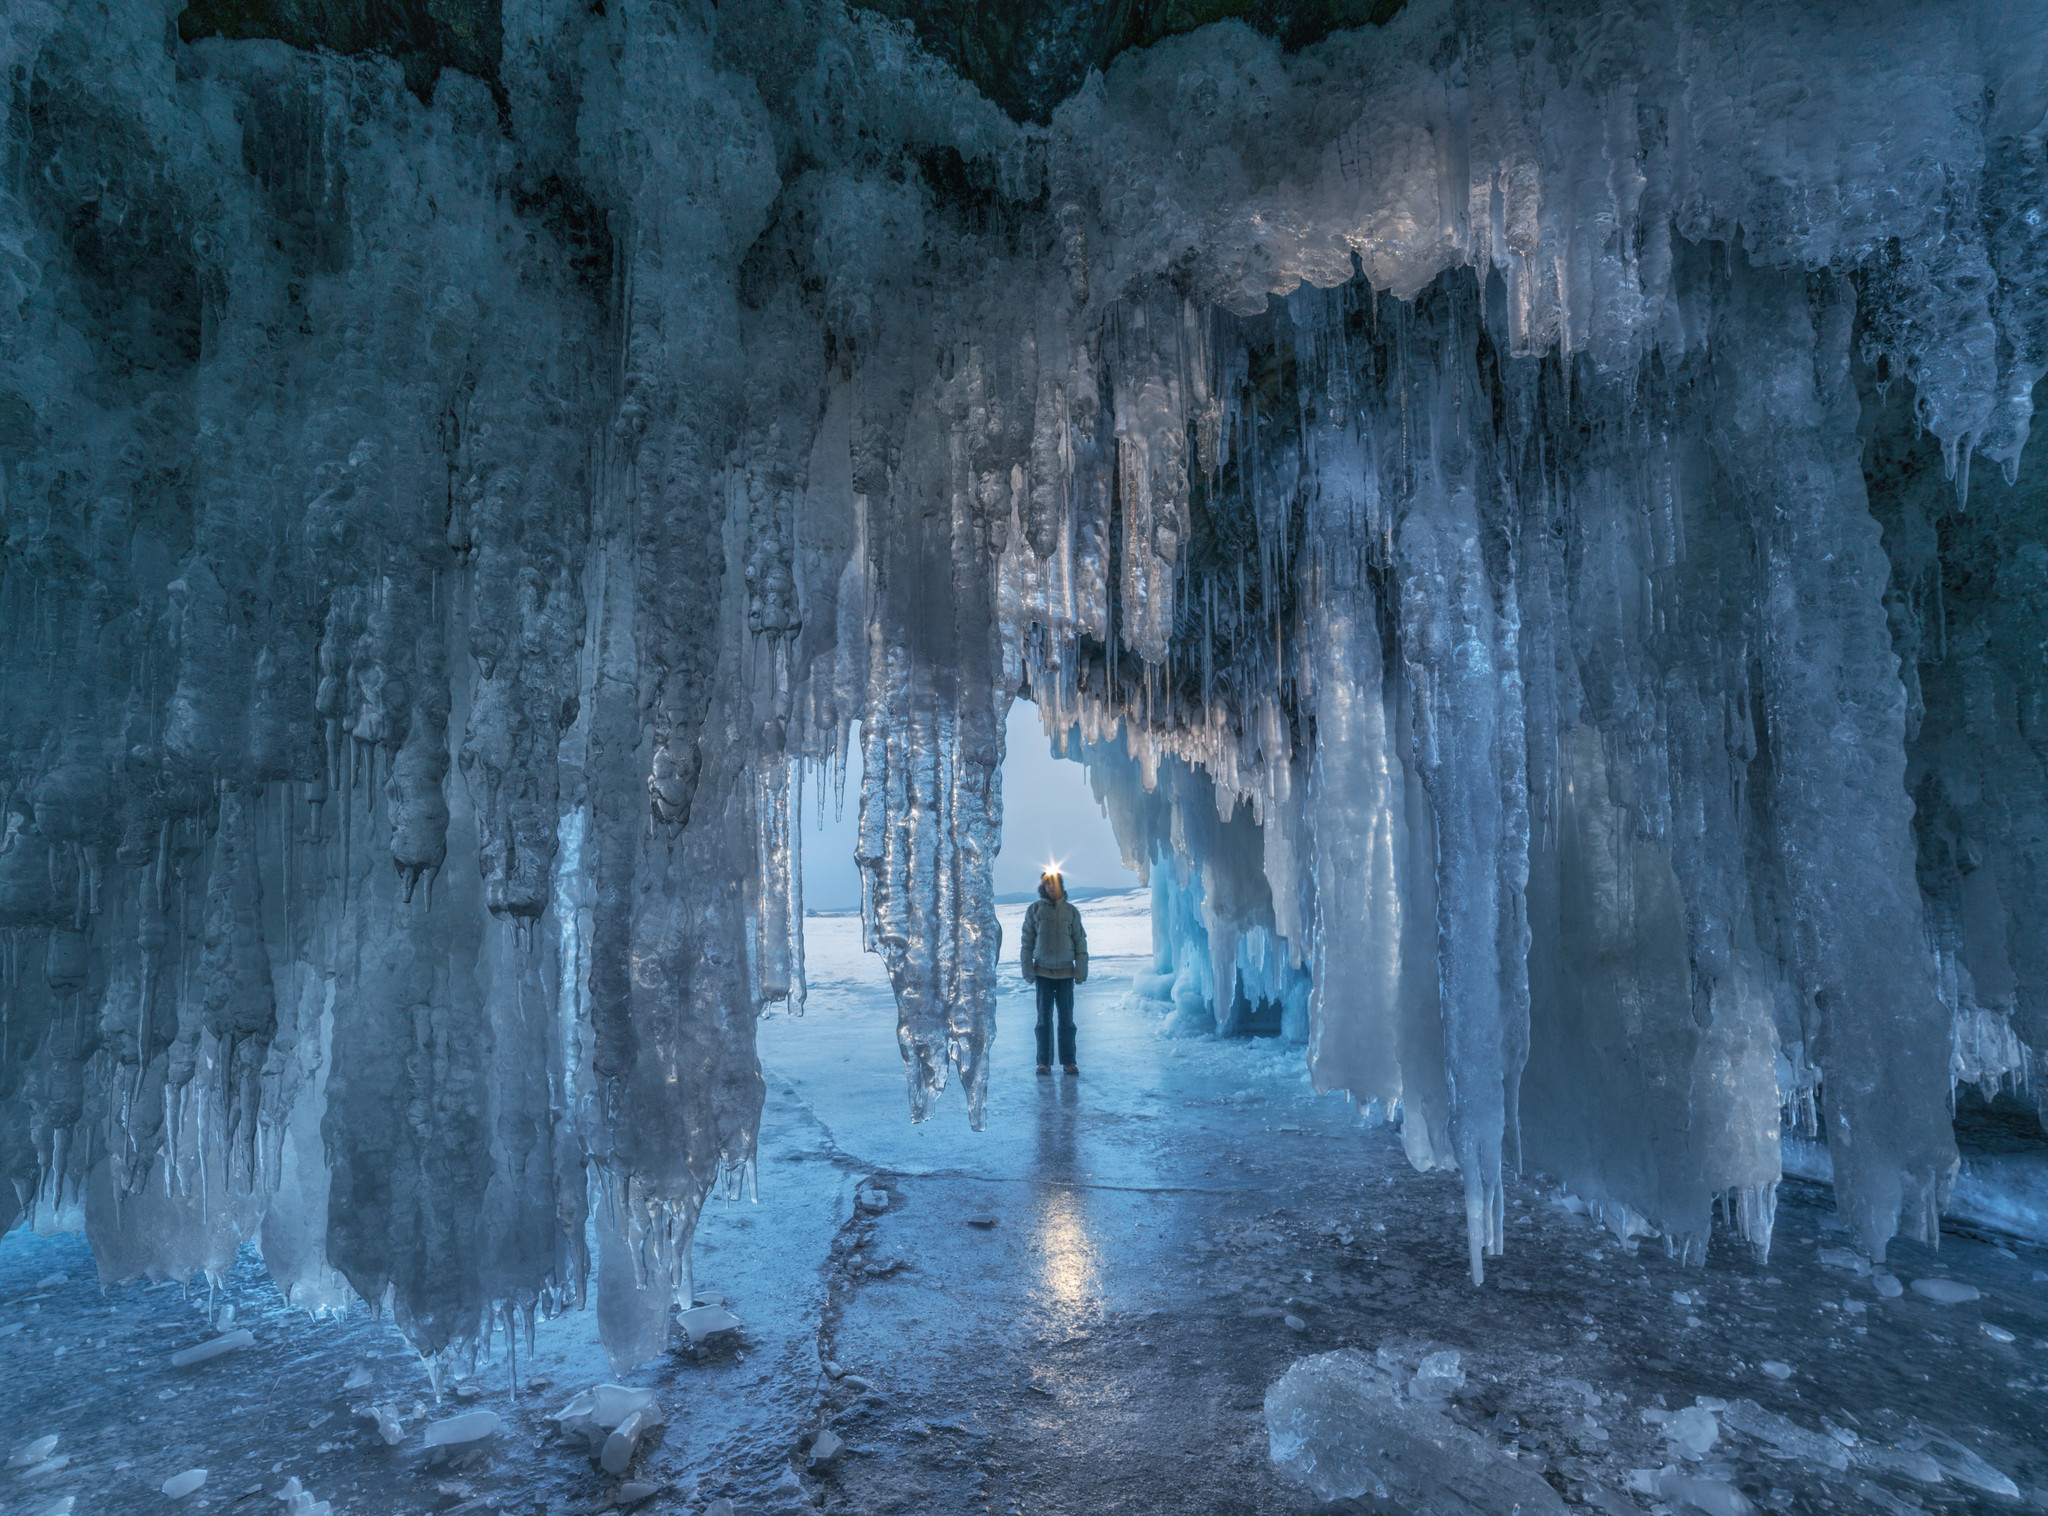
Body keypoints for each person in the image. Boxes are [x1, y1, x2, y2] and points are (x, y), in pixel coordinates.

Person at [1020, 870, 1088, 1076]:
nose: (1051, 887)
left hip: (1066, 973)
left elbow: (1080, 941)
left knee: (1067, 1020)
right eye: (1048, 883)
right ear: (1043, 886)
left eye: (1055, 883)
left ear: (1060, 886)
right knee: (1043, 1020)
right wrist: (1027, 969)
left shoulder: (1071, 911)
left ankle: (1069, 1062)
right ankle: (1043, 1062)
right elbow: (1027, 942)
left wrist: (1081, 969)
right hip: (1043, 973)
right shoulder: (1035, 910)